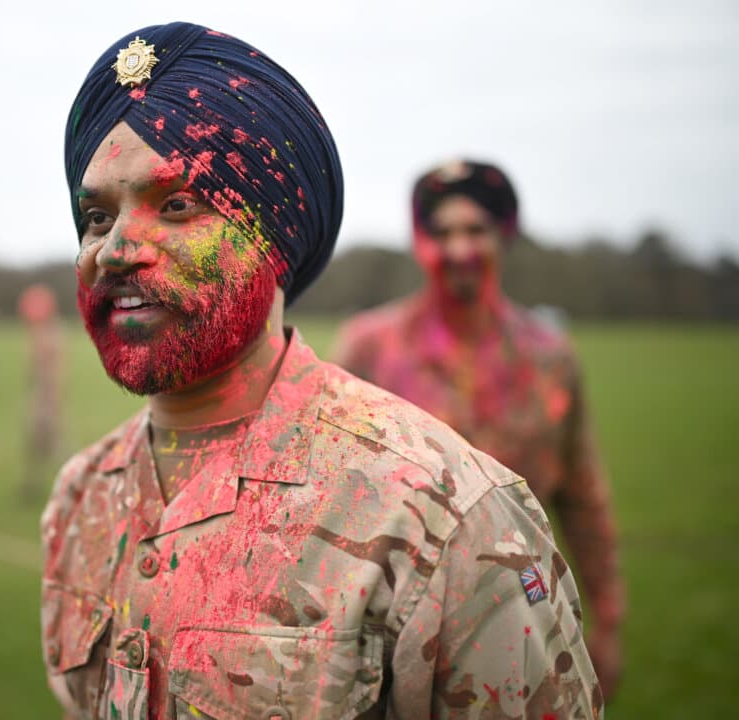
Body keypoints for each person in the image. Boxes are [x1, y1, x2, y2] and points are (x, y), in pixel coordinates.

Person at [41, 22, 602, 720]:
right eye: (95, 217)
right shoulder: (81, 499)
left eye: (177, 204)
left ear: (275, 234)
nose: (116, 249)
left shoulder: (444, 516)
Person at [331, 159, 624, 699]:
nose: (459, 248)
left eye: (475, 230)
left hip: (524, 602)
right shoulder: (370, 348)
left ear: (503, 237)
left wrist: (607, 617)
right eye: (442, 233)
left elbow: (583, 496)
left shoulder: (549, 358)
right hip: (393, 621)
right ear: (421, 243)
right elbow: (329, 496)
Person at [16, 284, 65, 502]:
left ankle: (70, 485)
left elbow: (53, 375)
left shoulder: (49, 336)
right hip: (40, 398)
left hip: (46, 401)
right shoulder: (40, 334)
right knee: (36, 445)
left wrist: (49, 403)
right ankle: (32, 484)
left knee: (53, 444)